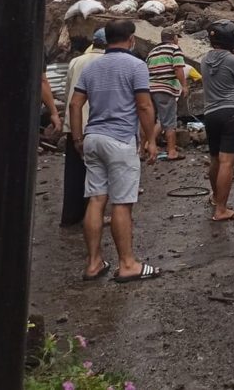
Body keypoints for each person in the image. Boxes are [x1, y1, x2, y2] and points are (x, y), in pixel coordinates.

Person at [68, 19, 160, 283]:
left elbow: (75, 105)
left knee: (97, 199)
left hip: (93, 138)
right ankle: (128, 264)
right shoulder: (136, 65)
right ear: (131, 39)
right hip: (119, 141)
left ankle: (94, 263)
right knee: (122, 202)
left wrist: (78, 139)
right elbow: (144, 106)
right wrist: (151, 140)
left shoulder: (92, 66)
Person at [201, 19, 234, 222]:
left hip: (210, 113)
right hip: (231, 112)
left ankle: (215, 197)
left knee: (215, 159)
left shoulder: (205, 60)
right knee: (227, 162)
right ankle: (221, 209)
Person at [60, 28, 107, 227]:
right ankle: (93, 215)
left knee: (74, 173)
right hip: (99, 125)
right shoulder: (107, 63)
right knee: (99, 174)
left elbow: (68, 93)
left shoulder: (76, 61)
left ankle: (71, 216)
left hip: (75, 124)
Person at [147, 28, 189, 161]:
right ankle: (172, 151)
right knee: (170, 120)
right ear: (173, 37)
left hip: (149, 89)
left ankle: (146, 146)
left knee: (153, 120)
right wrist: (184, 86)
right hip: (165, 89)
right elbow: (178, 68)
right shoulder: (174, 49)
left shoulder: (152, 52)